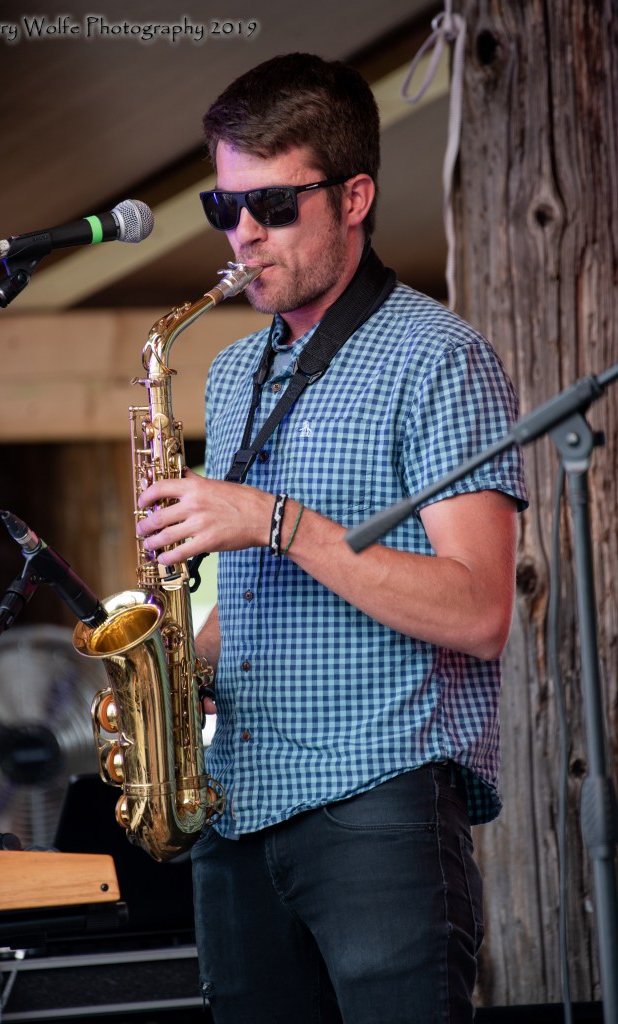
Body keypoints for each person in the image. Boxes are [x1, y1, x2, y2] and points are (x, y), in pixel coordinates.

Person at [137, 52, 527, 1024]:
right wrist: (173, 661)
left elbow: (481, 610)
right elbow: (262, 606)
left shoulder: (440, 357)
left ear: (354, 198)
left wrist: (275, 521)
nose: (245, 235)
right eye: (225, 208)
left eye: (274, 206)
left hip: (377, 811)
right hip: (239, 811)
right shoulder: (232, 373)